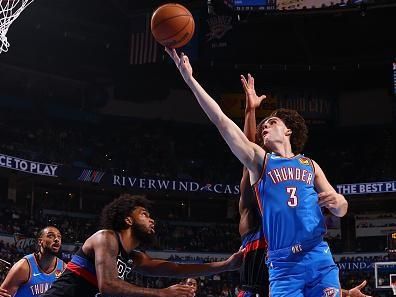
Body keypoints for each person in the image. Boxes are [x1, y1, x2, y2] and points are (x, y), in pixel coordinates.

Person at [166, 48, 348, 297]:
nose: (265, 127)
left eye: (271, 123)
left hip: (319, 255)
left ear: (288, 131)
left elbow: (341, 207)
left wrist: (338, 202)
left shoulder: (310, 164)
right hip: (283, 264)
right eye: (263, 125)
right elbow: (221, 121)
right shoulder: (260, 161)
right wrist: (190, 79)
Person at [238, 74, 372, 297]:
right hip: (262, 285)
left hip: (292, 274)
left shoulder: (305, 175)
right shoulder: (253, 200)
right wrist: (250, 111)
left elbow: (308, 275)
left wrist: (345, 293)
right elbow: (248, 148)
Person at [43, 194, 243, 297]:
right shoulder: (106, 238)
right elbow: (108, 286)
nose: (152, 220)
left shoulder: (135, 257)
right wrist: (163, 293)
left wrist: (226, 265)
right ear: (128, 220)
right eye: (145, 215)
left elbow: (176, 269)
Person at [0, 226, 65, 297]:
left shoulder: (64, 268)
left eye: (59, 237)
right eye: (50, 236)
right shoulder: (23, 267)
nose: (56, 239)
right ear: (40, 241)